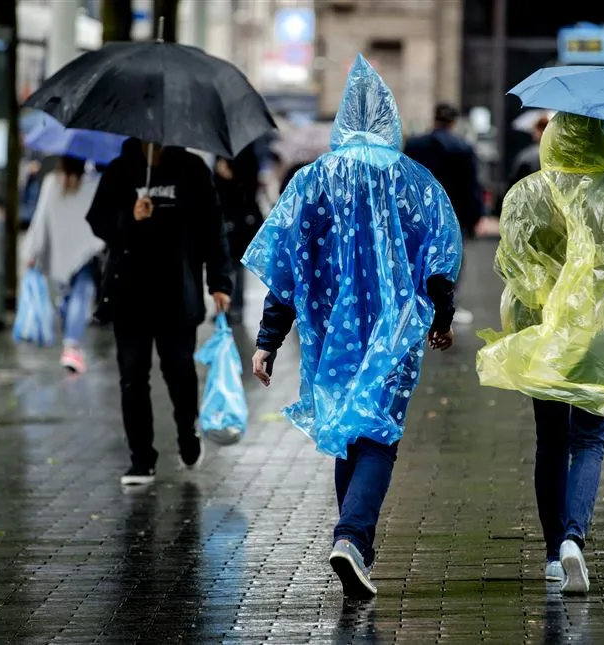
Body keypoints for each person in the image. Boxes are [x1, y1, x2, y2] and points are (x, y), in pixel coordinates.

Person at [242, 55, 462, 600]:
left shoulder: (312, 180)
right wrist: (442, 316)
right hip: (394, 330)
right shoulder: (413, 180)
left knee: (347, 435)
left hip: (331, 333)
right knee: (378, 435)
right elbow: (438, 254)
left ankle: (354, 542)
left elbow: (288, 266)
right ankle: (352, 537)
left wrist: (268, 339)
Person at [476, 113, 604, 594]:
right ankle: (575, 536)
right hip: (597, 332)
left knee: (551, 439)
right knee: (590, 439)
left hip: (543, 333)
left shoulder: (525, 194)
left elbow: (511, 266)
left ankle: (554, 550)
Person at [86, 138, 233, 486]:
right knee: (132, 375)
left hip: (176, 292)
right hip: (129, 293)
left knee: (179, 371)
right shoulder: (121, 169)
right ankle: (141, 459)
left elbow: (213, 228)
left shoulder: (191, 170)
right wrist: (129, 216)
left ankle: (187, 431)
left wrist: (220, 282)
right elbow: (98, 220)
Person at [403, 102, 483, 325]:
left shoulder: (415, 144)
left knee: (418, 253)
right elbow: (471, 185)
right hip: (453, 213)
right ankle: (446, 304)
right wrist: (475, 216)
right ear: (454, 121)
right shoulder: (463, 147)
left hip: (418, 212)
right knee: (450, 257)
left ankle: (417, 301)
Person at [23, 156, 104, 372]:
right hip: (86, 253)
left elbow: (40, 218)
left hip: (58, 253)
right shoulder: (94, 183)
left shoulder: (51, 182)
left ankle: (71, 341)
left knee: (68, 295)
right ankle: (71, 344)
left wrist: (32, 251)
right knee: (80, 294)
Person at [214, 141, 267, 323]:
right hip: (225, 215)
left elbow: (249, 185)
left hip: (242, 217)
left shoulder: (246, 152)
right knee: (225, 262)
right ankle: (227, 305)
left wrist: (230, 176)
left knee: (236, 262)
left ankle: (235, 305)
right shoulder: (219, 151)